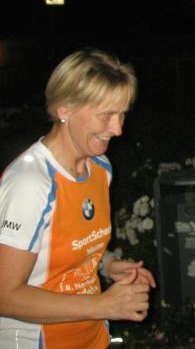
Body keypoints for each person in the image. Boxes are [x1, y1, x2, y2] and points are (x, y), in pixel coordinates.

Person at [0, 48, 156, 348]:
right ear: (64, 110)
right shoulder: (30, 183)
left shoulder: (100, 168)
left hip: (91, 338)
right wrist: (103, 305)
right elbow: (4, 295)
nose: (118, 129)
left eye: (122, 114)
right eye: (106, 115)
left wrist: (107, 264)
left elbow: (66, 249)